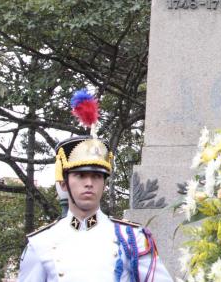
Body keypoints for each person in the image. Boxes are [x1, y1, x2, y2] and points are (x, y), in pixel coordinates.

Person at [18, 90, 173, 282]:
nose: (89, 183)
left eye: (97, 176)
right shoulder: (42, 243)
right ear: (64, 182)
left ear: (104, 183)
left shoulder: (131, 238)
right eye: (80, 176)